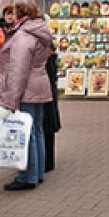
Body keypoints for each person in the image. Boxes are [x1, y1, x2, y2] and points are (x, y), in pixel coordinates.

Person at [0, 1, 53, 190]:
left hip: (27, 89)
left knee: (26, 133)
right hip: (40, 85)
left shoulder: (23, 36)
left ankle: (27, 176)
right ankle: (37, 173)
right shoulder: (38, 30)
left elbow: (19, 70)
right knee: (37, 130)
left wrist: (11, 99)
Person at [44, 42, 60, 172]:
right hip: (48, 90)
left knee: (44, 127)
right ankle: (48, 161)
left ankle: (46, 161)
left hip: (43, 91)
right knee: (47, 127)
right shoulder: (48, 45)